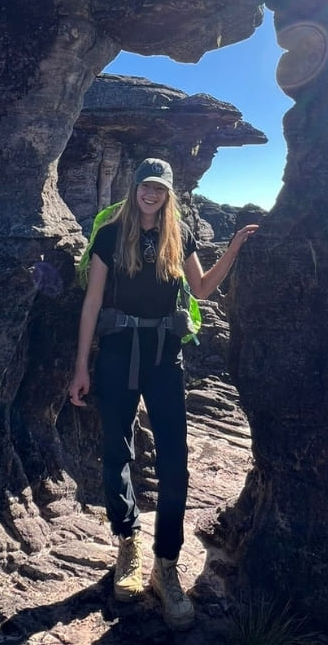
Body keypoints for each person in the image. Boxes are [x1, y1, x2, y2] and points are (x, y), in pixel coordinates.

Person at [68, 157, 257, 630]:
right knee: (116, 450)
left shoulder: (181, 235)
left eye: (159, 188)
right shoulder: (111, 234)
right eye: (145, 186)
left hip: (163, 357)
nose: (151, 193)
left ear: (169, 193)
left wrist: (232, 249)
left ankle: (165, 566)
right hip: (116, 354)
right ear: (134, 189)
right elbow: (92, 300)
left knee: (175, 461)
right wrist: (80, 365)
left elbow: (202, 288)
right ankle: (128, 542)